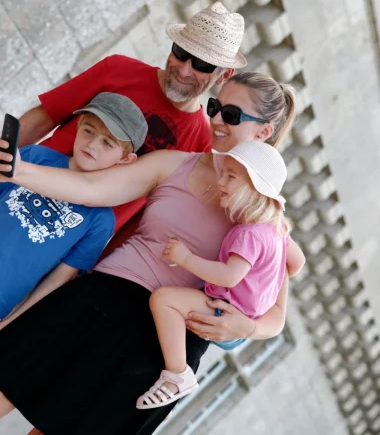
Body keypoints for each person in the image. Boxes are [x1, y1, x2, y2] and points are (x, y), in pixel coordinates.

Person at [0, 71, 297, 435]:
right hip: (100, 298)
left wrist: (248, 326)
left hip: (160, 345)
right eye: (215, 107)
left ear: (263, 132)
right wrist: (19, 170)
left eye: (231, 115)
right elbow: (90, 188)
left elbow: (277, 313)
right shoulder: (175, 163)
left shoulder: (268, 216)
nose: (216, 120)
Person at [18, 1, 245, 232]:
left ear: (224, 74)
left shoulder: (202, 146)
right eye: (181, 52)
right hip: (21, 185)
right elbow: (45, 116)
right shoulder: (118, 69)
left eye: (202, 65)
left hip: (71, 238)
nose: (184, 70)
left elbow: (148, 216)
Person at [137, 141, 305, 409]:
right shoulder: (276, 230)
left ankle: (178, 375)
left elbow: (229, 277)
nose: (220, 180)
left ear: (254, 190)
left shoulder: (249, 234)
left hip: (224, 311)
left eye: (231, 176)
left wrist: (185, 258)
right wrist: (266, 278)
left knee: (163, 300)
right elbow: (297, 262)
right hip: (243, 317)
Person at [0, 92, 147, 329]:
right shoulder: (35, 158)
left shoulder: (100, 221)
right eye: (89, 130)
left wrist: (12, 323)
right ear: (78, 126)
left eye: (107, 143)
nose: (92, 144)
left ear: (126, 160)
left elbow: (58, 280)